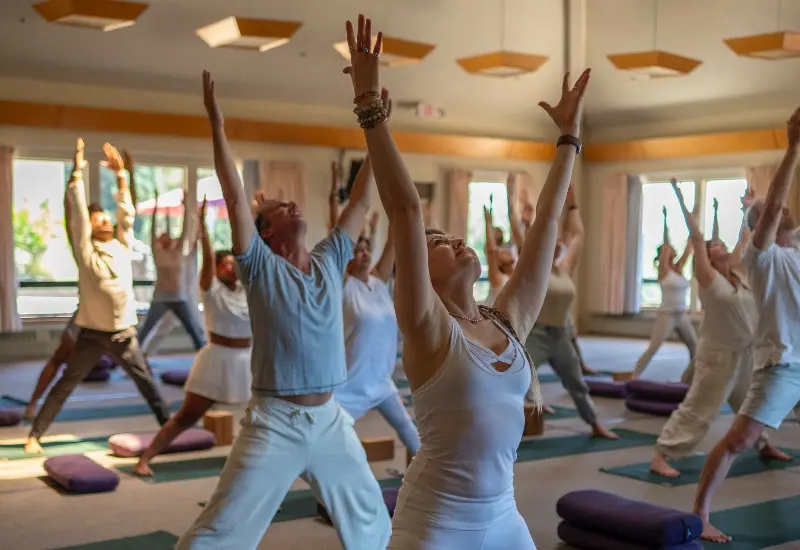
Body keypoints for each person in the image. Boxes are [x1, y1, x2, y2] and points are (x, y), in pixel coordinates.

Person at [343, 14, 589, 548]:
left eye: (453, 237)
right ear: (418, 277)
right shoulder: (428, 327)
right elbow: (406, 210)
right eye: (438, 245)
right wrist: (369, 105)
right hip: (435, 523)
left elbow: (545, 226)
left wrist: (568, 138)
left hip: (505, 518)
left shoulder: (508, 319)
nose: (454, 242)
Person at [176, 72, 390, 550]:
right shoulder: (258, 267)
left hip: (331, 420)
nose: (291, 204)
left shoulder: (331, 258)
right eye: (278, 207)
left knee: (373, 522)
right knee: (219, 532)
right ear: (265, 233)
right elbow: (233, 194)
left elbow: (359, 200)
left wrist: (377, 129)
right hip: (276, 422)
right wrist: (217, 126)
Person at [693, 108, 800, 543]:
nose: (787, 210)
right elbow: (773, 205)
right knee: (738, 441)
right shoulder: (763, 259)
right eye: (778, 213)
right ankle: (700, 512)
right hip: (783, 366)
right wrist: (792, 146)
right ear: (760, 229)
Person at [25, 139, 170, 454]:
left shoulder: (122, 244)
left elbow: (126, 213)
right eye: (99, 219)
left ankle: (168, 428)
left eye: (107, 218)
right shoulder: (85, 251)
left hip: (124, 334)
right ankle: (35, 434)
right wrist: (76, 173)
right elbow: (75, 216)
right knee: (66, 384)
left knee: (147, 384)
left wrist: (121, 178)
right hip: (91, 335)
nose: (106, 221)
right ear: (88, 229)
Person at [649, 181, 790, 478]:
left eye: (720, 243)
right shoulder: (708, 278)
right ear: (709, 257)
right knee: (700, 409)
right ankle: (663, 453)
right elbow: (697, 239)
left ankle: (762, 444)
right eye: (713, 246)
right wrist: (681, 202)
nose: (718, 245)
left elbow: (746, 237)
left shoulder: (740, 273)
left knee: (752, 406)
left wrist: (747, 208)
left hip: (745, 355)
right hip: (717, 357)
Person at [133, 198, 252, 476]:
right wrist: (204, 231)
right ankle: (145, 458)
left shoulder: (248, 292)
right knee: (186, 416)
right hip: (217, 359)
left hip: (246, 361)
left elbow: (254, 254)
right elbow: (207, 261)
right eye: (225, 265)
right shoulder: (211, 291)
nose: (230, 267)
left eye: (234, 264)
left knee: (261, 419)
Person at [524, 185, 617, 439]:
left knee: (576, 382)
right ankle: (521, 422)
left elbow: (578, 234)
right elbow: (526, 236)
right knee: (519, 379)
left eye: (559, 243)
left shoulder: (565, 268)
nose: (558, 245)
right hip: (536, 335)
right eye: (551, 242)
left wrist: (573, 206)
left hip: (560, 335)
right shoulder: (533, 269)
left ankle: (595, 424)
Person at [335, 221, 421, 455]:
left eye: (366, 249)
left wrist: (395, 209)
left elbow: (392, 241)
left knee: (407, 427)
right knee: (333, 438)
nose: (363, 254)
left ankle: (433, 482)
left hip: (381, 381)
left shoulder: (379, 282)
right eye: (357, 250)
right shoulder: (343, 285)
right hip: (350, 384)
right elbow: (339, 240)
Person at [136, 189, 205, 351]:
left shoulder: (178, 252)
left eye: (166, 234)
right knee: (145, 331)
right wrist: (156, 206)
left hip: (179, 298)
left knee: (194, 331)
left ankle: (204, 357)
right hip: (160, 297)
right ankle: (135, 357)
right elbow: (152, 231)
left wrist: (186, 207)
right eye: (162, 235)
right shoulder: (157, 253)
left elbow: (184, 228)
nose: (164, 236)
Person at [633, 205, 697, 379]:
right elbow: (667, 245)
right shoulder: (664, 271)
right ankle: (634, 376)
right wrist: (665, 221)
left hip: (681, 314)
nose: (671, 249)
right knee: (654, 347)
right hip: (667, 314)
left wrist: (694, 219)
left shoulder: (679, 268)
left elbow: (689, 247)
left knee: (694, 347)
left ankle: (691, 379)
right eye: (667, 249)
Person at [23, 309, 80, 419]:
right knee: (60, 361)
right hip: (86, 322)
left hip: (111, 322)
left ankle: (33, 406)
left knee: (61, 362)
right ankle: (33, 406)